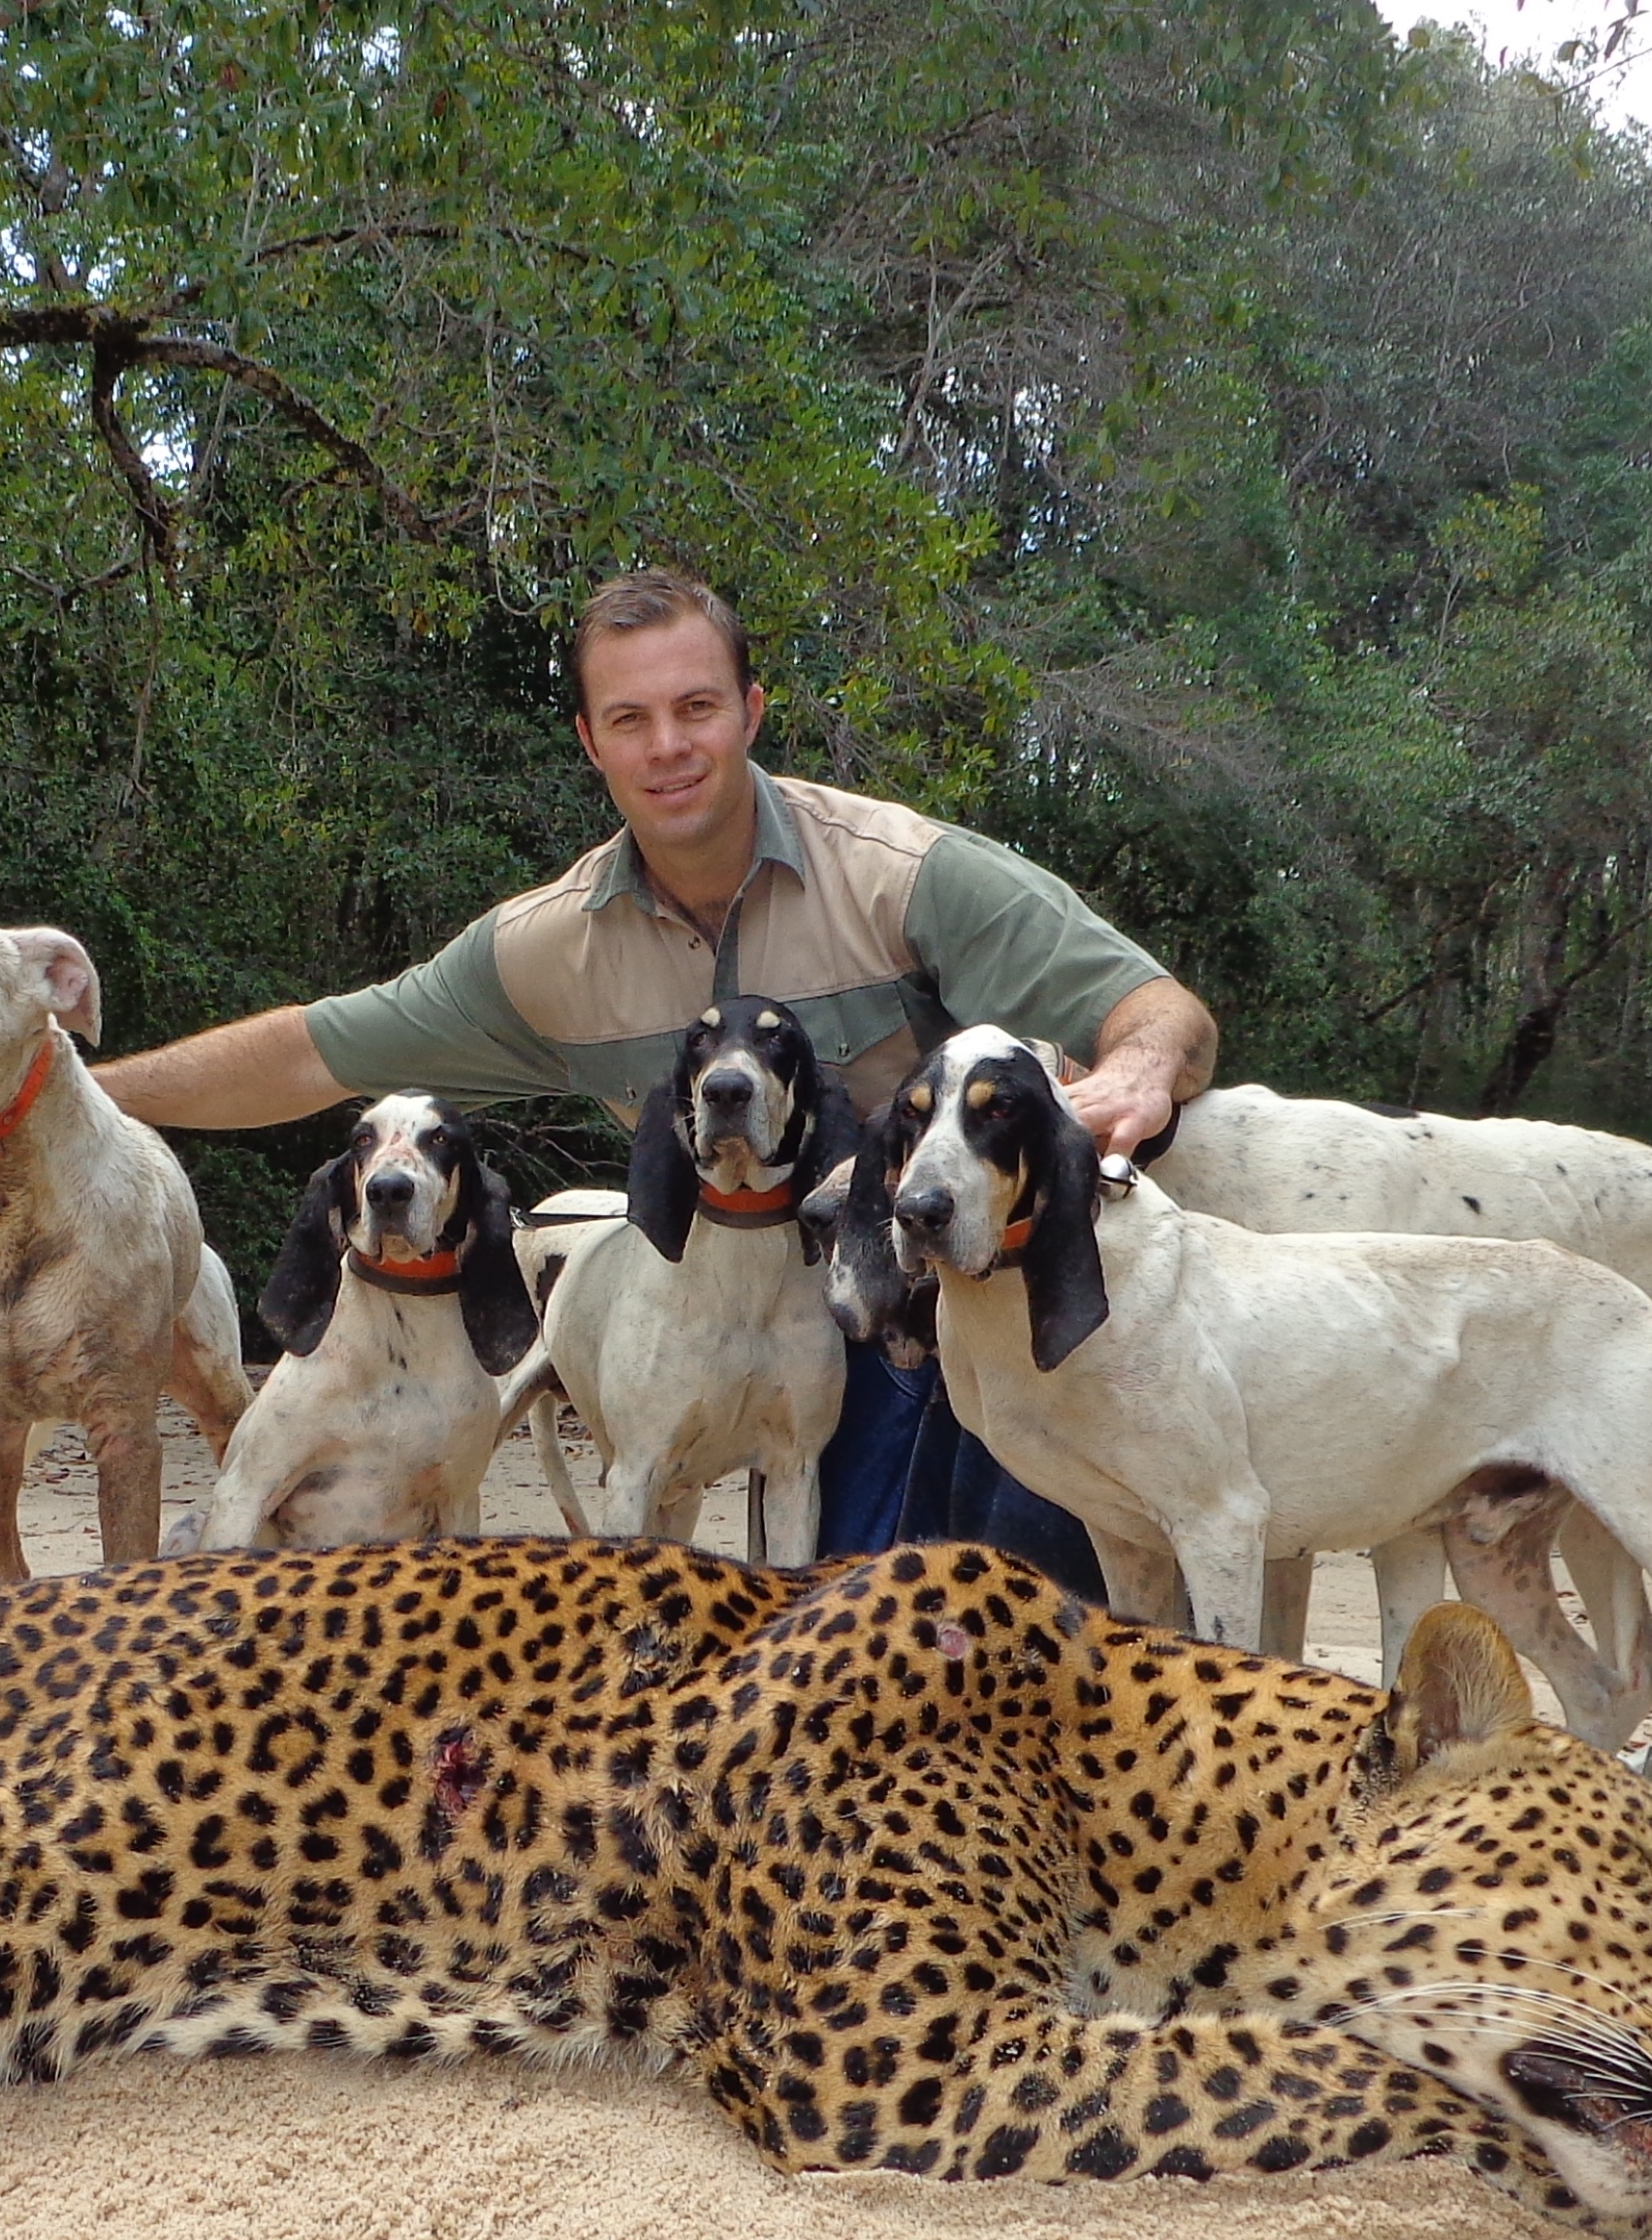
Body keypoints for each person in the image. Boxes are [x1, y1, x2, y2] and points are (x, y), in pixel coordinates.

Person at [93, 568, 1215, 1581]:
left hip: (950, 1294)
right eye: (630, 718)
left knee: (968, 1613)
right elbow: (306, 1052)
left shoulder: (904, 877)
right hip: (738, 1294)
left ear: (750, 713)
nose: (667, 746)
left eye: (695, 708)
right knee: (842, 1633)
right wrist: (74, 1096)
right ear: (590, 741)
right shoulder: (543, 952)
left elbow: (1159, 1010)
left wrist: (1139, 1068)